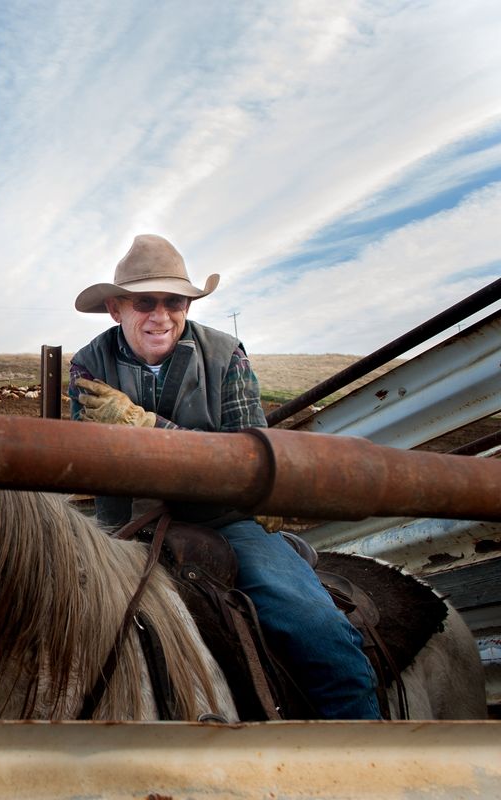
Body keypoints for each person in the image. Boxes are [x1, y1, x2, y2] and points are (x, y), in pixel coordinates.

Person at [68, 233, 381, 720]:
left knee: (318, 629)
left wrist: (148, 429)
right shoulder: (90, 362)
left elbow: (247, 454)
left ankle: (365, 762)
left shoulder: (225, 354)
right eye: (144, 302)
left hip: (223, 518)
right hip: (121, 524)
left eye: (174, 302)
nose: (161, 316)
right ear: (116, 309)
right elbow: (89, 458)